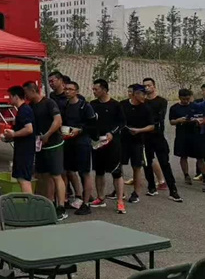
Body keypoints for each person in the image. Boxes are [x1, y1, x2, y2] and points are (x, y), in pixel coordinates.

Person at [24, 81, 68, 220]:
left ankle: (61, 206)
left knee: (56, 175)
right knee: (44, 175)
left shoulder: (49, 103)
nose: (25, 96)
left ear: (33, 91)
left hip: (54, 144)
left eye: (26, 93)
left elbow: (58, 120)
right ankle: (49, 203)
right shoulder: (30, 106)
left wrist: (47, 135)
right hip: (40, 145)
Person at [89, 79, 127, 214]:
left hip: (113, 143)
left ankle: (120, 201)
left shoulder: (115, 105)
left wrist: (112, 133)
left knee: (116, 172)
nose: (94, 92)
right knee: (99, 171)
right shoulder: (92, 105)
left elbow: (122, 122)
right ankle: (100, 197)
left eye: (96, 89)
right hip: (97, 143)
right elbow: (89, 122)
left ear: (104, 90)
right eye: (93, 89)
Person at [62, 81, 96, 215]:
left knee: (84, 172)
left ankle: (86, 203)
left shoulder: (85, 106)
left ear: (76, 91)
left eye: (70, 89)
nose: (67, 91)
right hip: (68, 141)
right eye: (66, 89)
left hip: (82, 142)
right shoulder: (65, 106)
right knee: (68, 170)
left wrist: (80, 130)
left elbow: (92, 125)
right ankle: (72, 197)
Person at [120, 84, 152, 205]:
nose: (144, 97)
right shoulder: (122, 105)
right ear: (135, 94)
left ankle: (136, 193)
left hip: (138, 141)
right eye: (142, 94)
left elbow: (151, 126)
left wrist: (139, 130)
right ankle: (120, 190)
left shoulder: (146, 108)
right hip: (123, 141)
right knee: (119, 166)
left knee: (137, 167)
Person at [2, 86, 36, 193]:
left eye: (10, 97)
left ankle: (28, 201)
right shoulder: (22, 110)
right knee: (21, 178)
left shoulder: (24, 110)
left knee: (23, 179)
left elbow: (29, 129)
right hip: (22, 148)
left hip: (25, 150)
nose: (9, 99)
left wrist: (14, 134)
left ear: (16, 97)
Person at [169, 89, 204, 185]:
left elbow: (202, 117)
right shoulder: (174, 108)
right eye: (183, 99)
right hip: (182, 134)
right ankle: (186, 175)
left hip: (195, 133)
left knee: (200, 156)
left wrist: (197, 120)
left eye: (188, 99)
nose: (186, 101)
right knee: (183, 156)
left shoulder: (195, 106)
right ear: (179, 98)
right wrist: (179, 120)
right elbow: (171, 121)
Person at [142, 78, 168, 194]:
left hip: (157, 134)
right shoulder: (142, 102)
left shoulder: (161, 101)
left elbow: (159, 117)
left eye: (149, 85)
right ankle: (152, 183)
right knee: (146, 159)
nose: (147, 88)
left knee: (160, 159)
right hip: (144, 134)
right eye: (145, 86)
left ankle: (162, 180)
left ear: (154, 86)